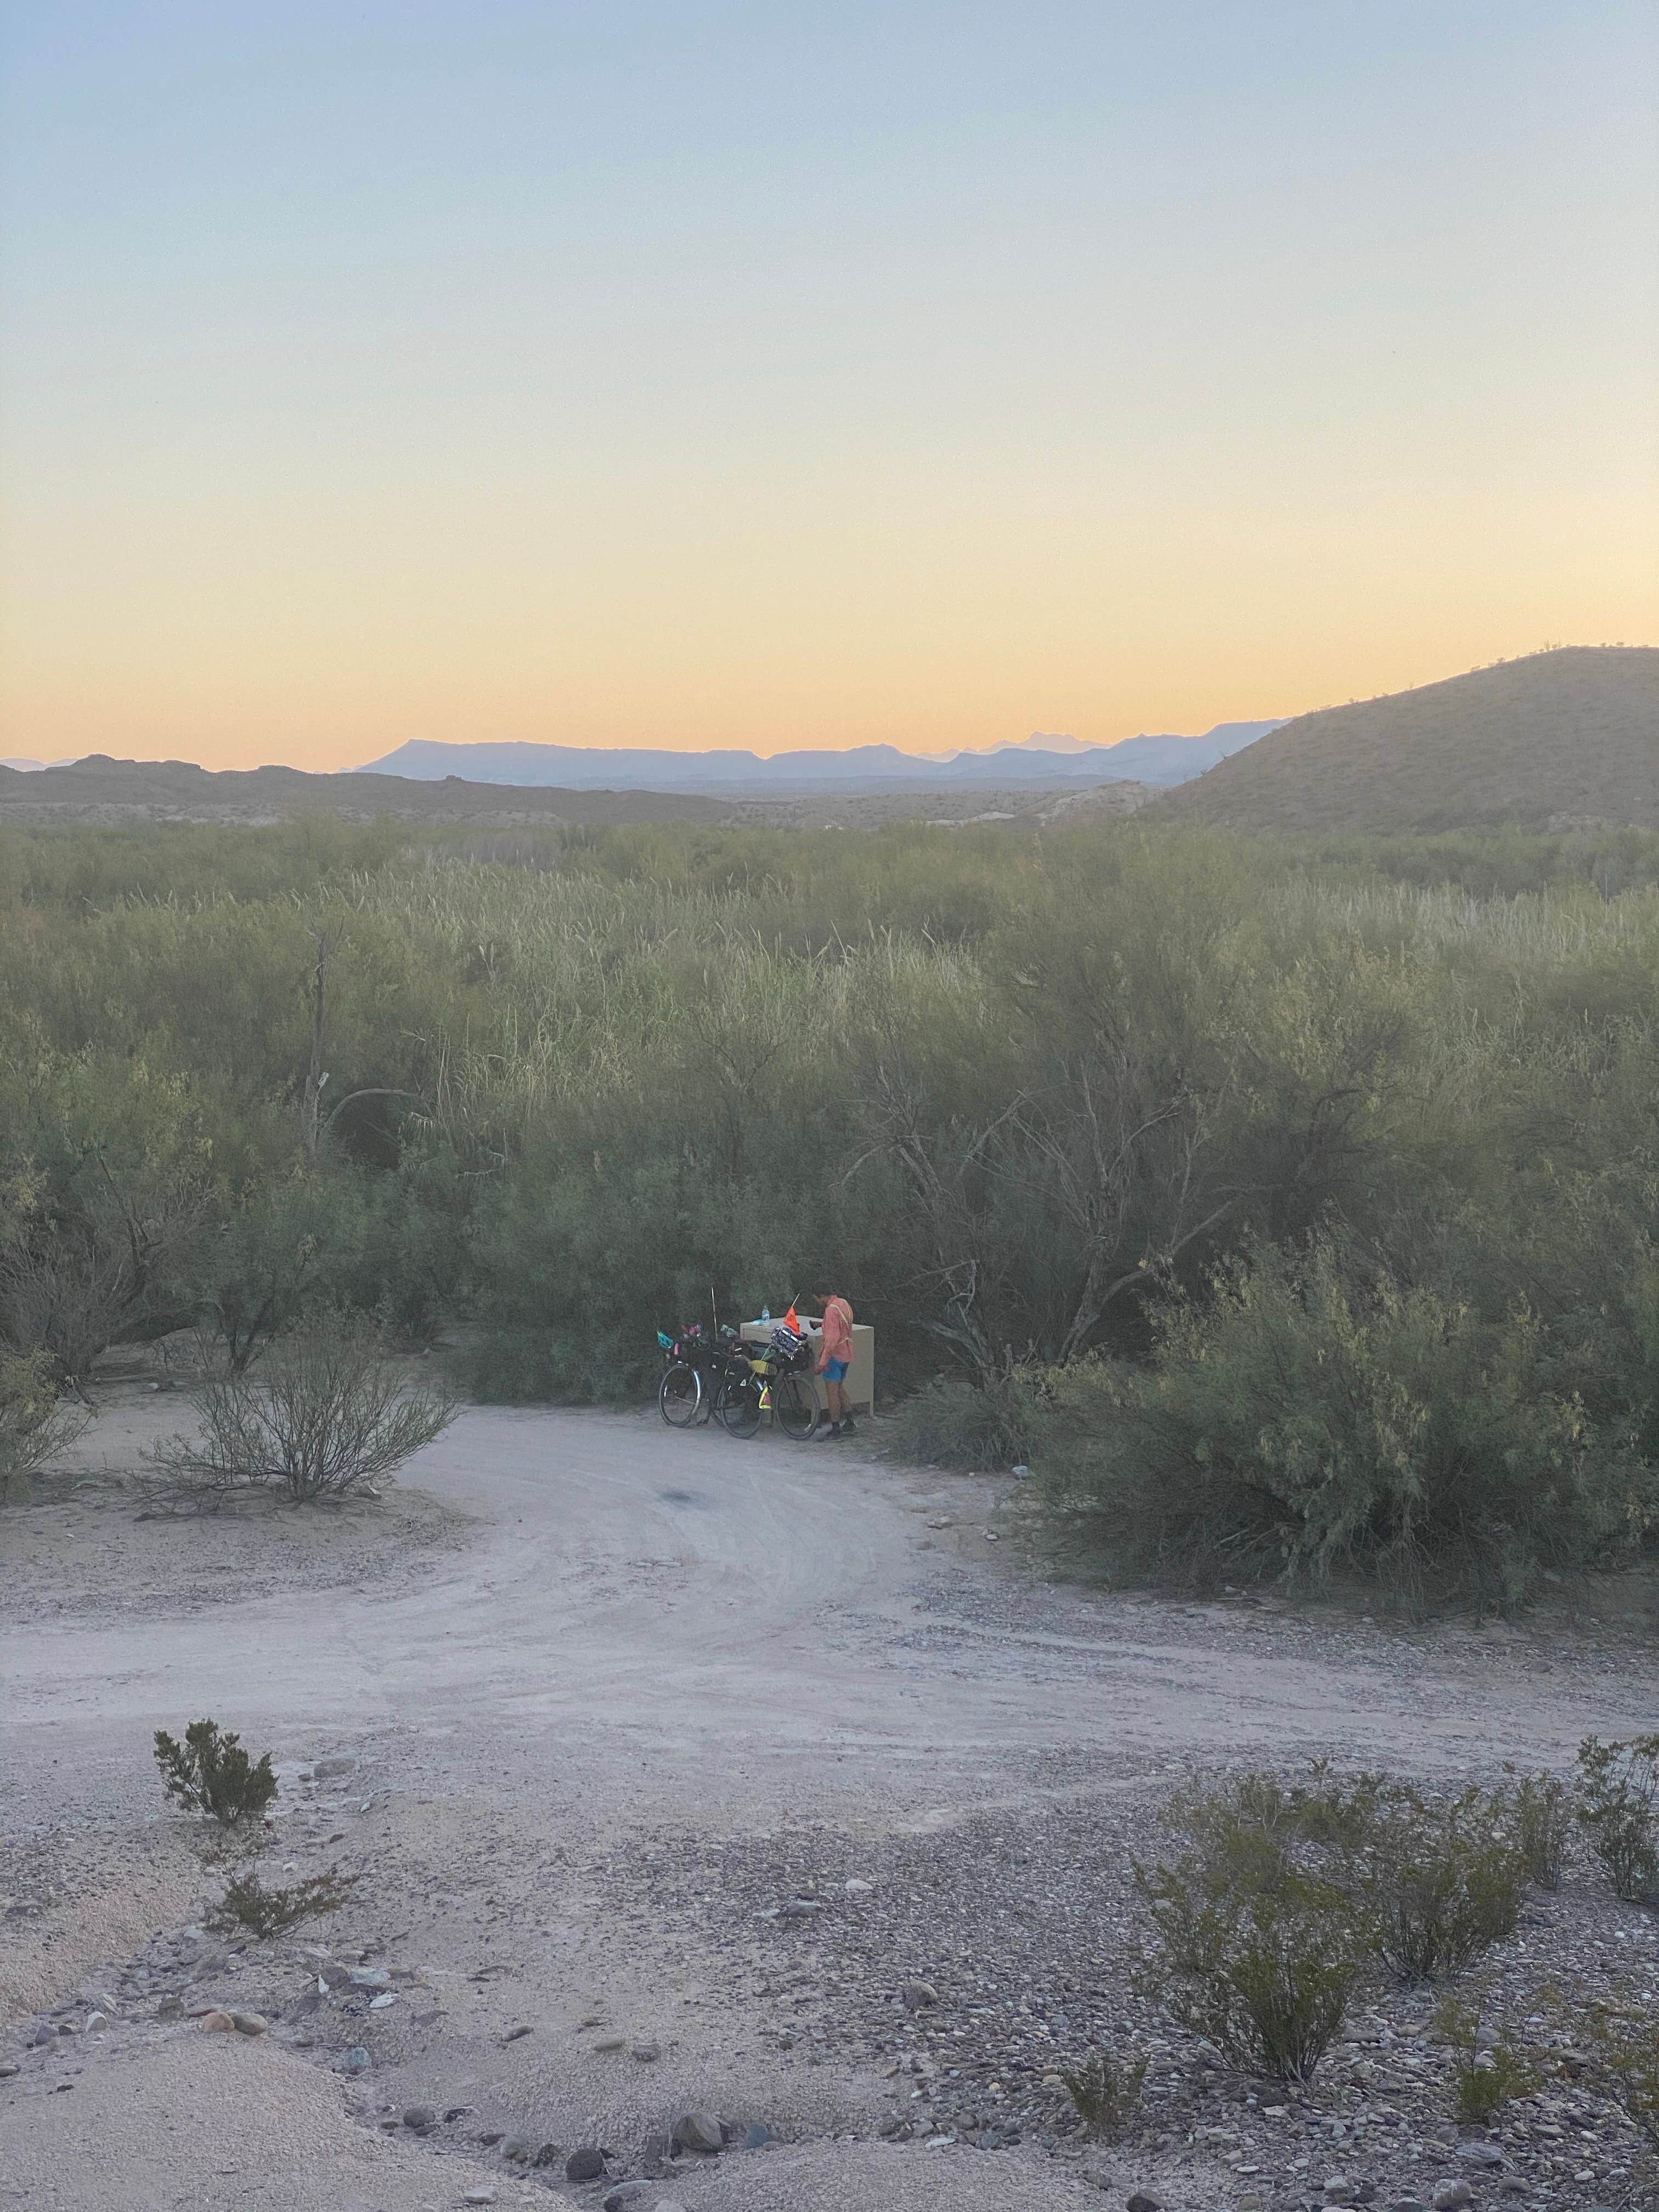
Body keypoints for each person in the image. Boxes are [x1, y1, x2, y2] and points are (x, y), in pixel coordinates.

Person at [811, 1286, 856, 1439]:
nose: (817, 1302)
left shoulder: (830, 1310)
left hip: (834, 1356)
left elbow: (831, 1341)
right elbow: (842, 1325)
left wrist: (822, 1363)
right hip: (846, 1353)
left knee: (832, 1393)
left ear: (822, 1296)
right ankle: (850, 1422)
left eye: (817, 1299)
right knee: (840, 1388)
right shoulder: (843, 1303)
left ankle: (836, 1428)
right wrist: (821, 1325)